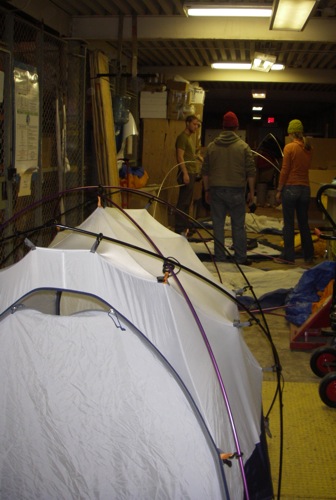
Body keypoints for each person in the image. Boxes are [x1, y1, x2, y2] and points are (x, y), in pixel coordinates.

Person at [201, 111, 256, 265]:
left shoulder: (212, 147)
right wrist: (251, 192)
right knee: (238, 225)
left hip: (216, 190)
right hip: (237, 191)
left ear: (223, 127)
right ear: (236, 127)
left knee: (218, 225)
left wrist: (207, 190)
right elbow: (251, 171)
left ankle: (219, 258)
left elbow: (205, 171)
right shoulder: (244, 147)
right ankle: (240, 258)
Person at [275, 119, 314, 264]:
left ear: (291, 133)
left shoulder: (289, 148)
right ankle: (309, 256)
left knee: (289, 224)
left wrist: (279, 189)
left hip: (291, 187)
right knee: (304, 223)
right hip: (305, 188)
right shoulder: (309, 148)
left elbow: (285, 170)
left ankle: (288, 257)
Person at [175, 114, 201, 235]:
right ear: (187, 123)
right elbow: (180, 156)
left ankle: (185, 227)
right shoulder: (182, 137)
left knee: (188, 202)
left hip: (192, 172)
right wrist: (184, 173)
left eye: (197, 125)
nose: (196, 127)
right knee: (183, 201)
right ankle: (179, 228)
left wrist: (199, 158)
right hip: (186, 173)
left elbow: (190, 154)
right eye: (194, 124)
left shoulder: (190, 138)